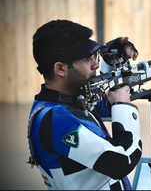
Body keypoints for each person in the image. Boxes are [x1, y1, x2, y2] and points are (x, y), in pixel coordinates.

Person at [27, 19, 142, 190]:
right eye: (87, 58)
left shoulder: (69, 101)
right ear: (60, 69)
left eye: (95, 57)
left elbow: (107, 103)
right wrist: (123, 106)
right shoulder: (56, 119)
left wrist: (111, 60)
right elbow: (122, 161)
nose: (95, 64)